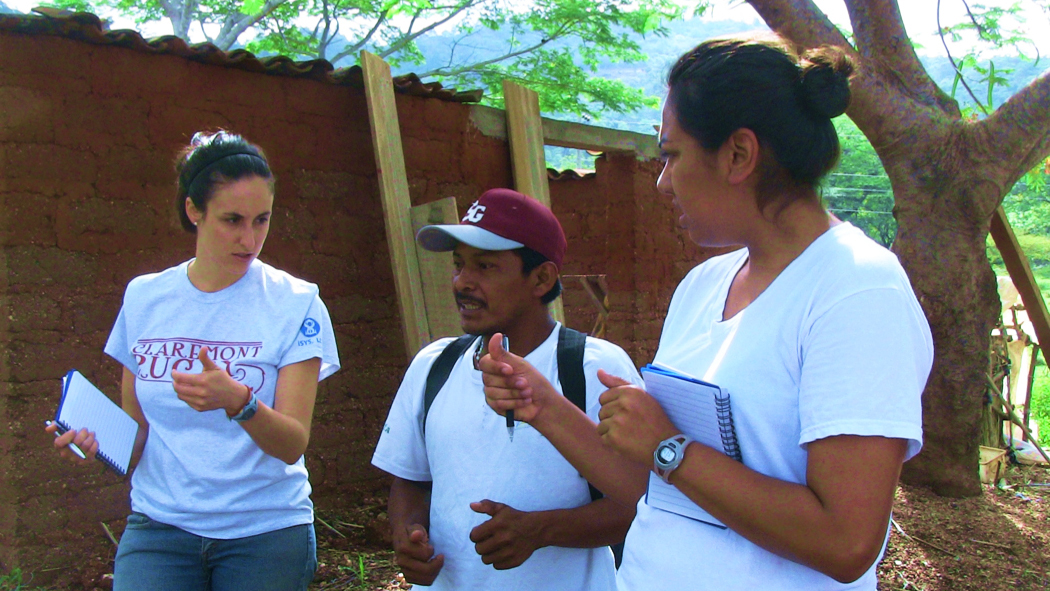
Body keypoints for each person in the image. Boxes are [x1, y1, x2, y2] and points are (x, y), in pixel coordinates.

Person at [480, 35, 934, 591]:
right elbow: (659, 491)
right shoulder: (703, 285)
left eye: (671, 154)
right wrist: (543, 405)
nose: (662, 180)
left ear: (738, 154)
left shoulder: (857, 290)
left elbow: (846, 543)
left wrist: (672, 449)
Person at [45, 130, 340, 591]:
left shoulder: (297, 303)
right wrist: (94, 444)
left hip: (264, 532)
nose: (250, 239)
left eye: (262, 220)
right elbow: (137, 436)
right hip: (160, 528)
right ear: (193, 211)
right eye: (232, 220)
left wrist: (239, 401)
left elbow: (291, 444)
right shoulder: (145, 297)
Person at [371, 188, 643, 590]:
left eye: (485, 267)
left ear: (541, 278)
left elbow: (643, 504)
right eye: (458, 264)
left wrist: (543, 530)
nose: (462, 282)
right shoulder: (434, 366)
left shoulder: (593, 369)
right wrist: (408, 534)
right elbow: (412, 480)